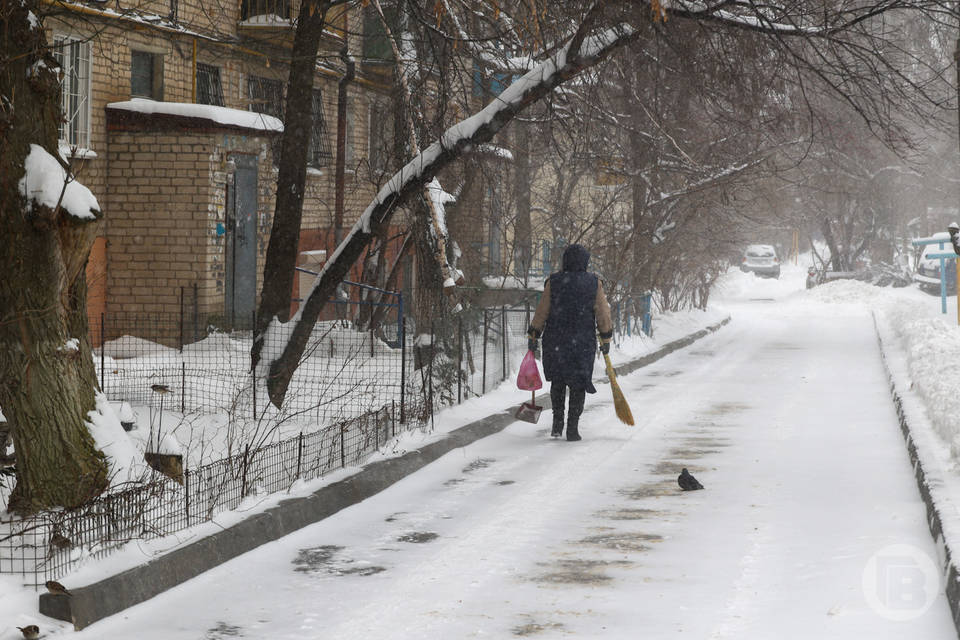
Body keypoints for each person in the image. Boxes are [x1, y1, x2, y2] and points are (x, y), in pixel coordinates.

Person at [527, 244, 613, 441]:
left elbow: (542, 311)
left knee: (558, 381)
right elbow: (602, 312)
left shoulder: (554, 282)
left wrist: (534, 334)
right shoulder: (593, 283)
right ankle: (572, 426)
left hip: (556, 340)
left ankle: (558, 423)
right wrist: (605, 336)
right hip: (581, 344)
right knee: (578, 384)